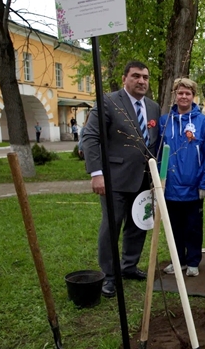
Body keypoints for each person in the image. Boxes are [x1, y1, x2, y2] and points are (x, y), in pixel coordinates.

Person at [83, 60, 161, 298]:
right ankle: (108, 276)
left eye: (145, 77)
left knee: (139, 224)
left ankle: (129, 266)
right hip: (114, 180)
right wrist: (97, 174)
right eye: (136, 76)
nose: (141, 81)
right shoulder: (108, 102)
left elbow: (155, 142)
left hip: (144, 179)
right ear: (125, 78)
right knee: (112, 227)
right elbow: (90, 136)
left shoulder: (153, 107)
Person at [160, 78, 205, 277]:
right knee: (173, 227)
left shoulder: (204, 123)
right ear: (174, 95)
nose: (183, 96)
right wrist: (160, 179)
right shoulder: (165, 121)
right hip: (170, 187)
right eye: (180, 93)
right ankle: (178, 261)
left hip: (194, 186)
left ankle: (193, 262)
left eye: (188, 93)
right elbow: (159, 152)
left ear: (193, 96)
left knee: (193, 227)